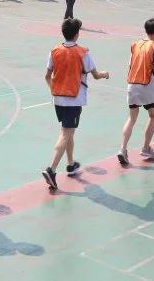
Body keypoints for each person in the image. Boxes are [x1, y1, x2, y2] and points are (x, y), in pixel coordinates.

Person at [41, 18, 110, 190]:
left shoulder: (54, 51)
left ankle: (70, 164)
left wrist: (53, 90)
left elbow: (47, 76)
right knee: (66, 133)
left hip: (58, 99)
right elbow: (95, 74)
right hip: (73, 98)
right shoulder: (83, 52)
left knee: (68, 132)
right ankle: (51, 169)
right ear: (77, 34)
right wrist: (105, 74)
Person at [117, 18, 154, 165]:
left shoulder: (136, 44)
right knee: (153, 115)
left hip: (132, 85)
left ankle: (122, 149)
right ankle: (146, 148)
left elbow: (131, 65)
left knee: (132, 118)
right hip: (146, 86)